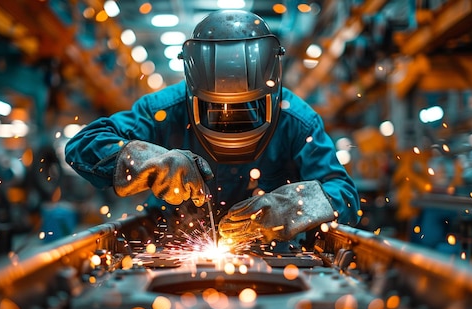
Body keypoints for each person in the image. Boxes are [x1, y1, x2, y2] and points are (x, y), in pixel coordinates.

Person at [64, 10, 360, 249]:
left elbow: (344, 194)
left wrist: (293, 205)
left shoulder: (297, 121)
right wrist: (149, 162)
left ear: (271, 93)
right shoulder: (164, 111)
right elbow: (83, 145)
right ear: (193, 94)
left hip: (277, 257)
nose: (229, 118)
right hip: (173, 250)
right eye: (214, 108)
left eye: (247, 108)